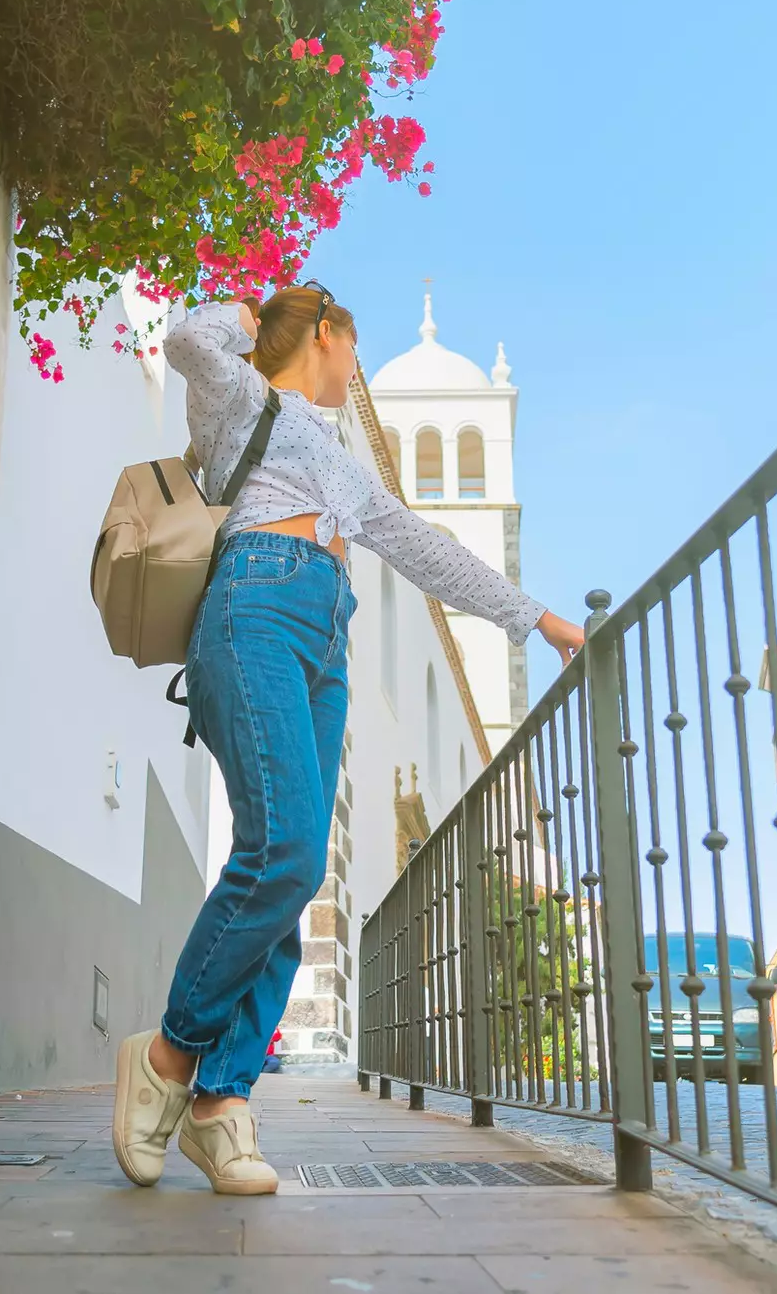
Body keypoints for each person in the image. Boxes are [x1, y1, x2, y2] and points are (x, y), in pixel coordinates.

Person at [112, 284, 586, 1196]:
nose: (353, 368)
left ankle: (222, 1104)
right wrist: (248, 317)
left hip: (325, 639)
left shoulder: (342, 458)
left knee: (290, 874)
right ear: (323, 334)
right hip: (253, 611)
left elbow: (423, 547)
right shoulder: (245, 398)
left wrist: (539, 619)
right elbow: (185, 338)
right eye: (349, 348)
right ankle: (170, 1055)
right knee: (288, 851)